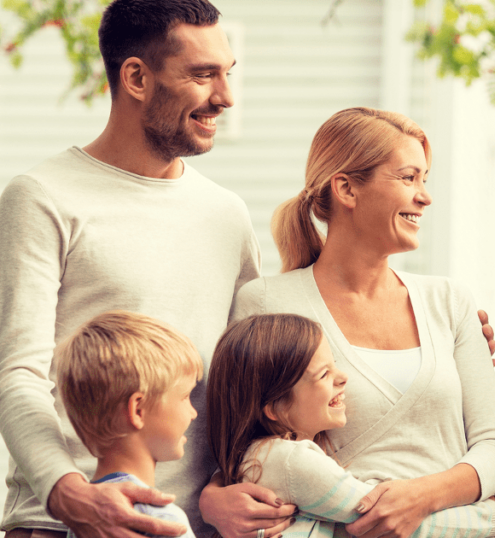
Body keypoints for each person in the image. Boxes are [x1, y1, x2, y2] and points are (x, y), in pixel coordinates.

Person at [0, 1, 284, 536]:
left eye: (227, 73)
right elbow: (18, 372)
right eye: (202, 75)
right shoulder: (42, 198)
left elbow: (245, 376)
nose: (223, 97)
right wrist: (69, 494)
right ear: (135, 76)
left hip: (183, 526)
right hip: (62, 525)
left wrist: (222, 486)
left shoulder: (225, 214)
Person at [201, 107, 495, 538]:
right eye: (408, 178)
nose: (424, 196)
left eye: (425, 179)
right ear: (347, 188)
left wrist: (422, 497)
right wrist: (212, 496)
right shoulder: (267, 302)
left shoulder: (450, 302)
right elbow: (240, 443)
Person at [207, 313, 495, 538]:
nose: (343, 378)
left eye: (334, 365)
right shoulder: (291, 461)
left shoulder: (264, 458)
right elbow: (385, 516)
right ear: (275, 408)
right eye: (324, 375)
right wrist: (492, 517)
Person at [56, 311, 205, 538]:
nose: (193, 412)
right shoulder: (161, 520)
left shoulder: (85, 519)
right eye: (185, 396)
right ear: (138, 410)